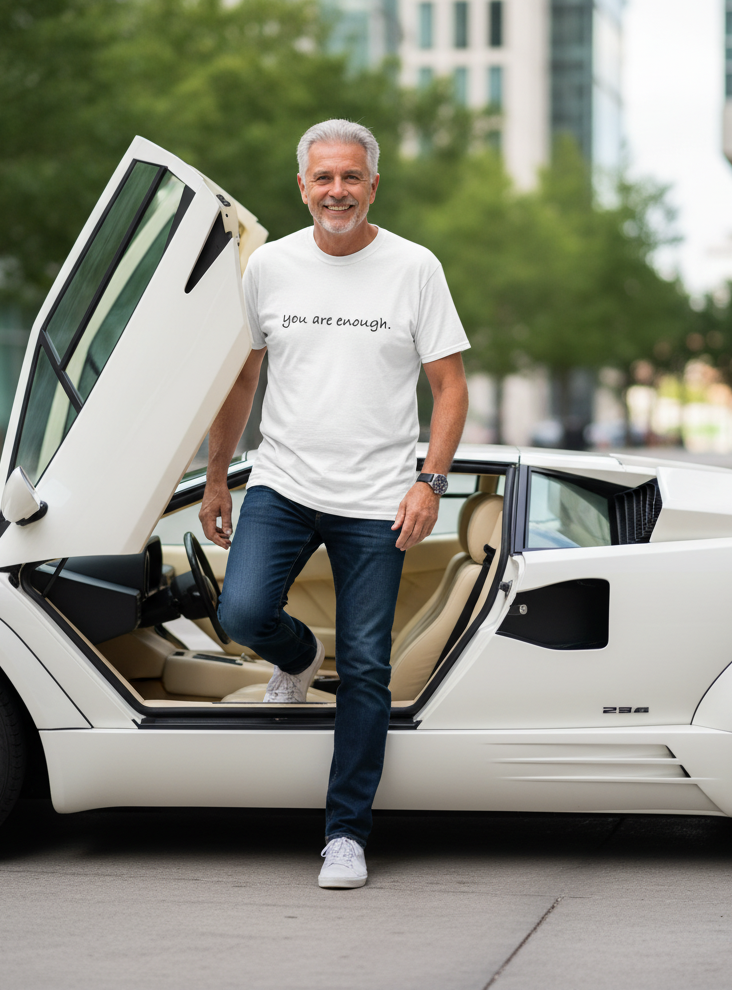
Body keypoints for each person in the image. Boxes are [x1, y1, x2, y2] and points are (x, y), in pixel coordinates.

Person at [199, 119, 469, 889]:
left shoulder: (415, 268)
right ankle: (295, 655)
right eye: (324, 179)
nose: (337, 191)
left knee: (366, 668)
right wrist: (219, 475)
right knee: (243, 614)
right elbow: (242, 380)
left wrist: (430, 482)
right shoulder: (270, 267)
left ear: (373, 185)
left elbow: (449, 388)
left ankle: (345, 834)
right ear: (303, 187)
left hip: (378, 500)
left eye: (351, 177)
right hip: (282, 484)